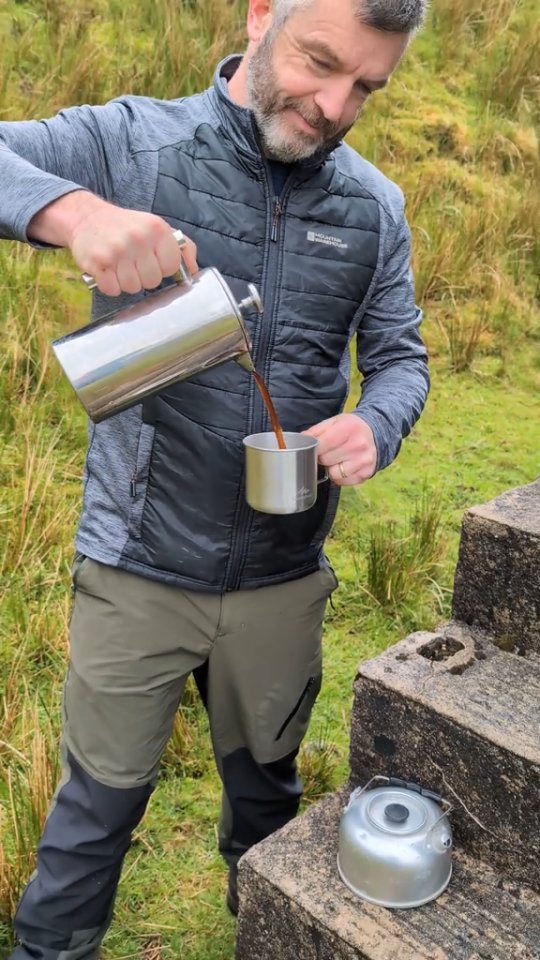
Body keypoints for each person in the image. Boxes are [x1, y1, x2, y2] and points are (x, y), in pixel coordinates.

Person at [0, 0, 430, 955]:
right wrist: (73, 213)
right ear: (261, 14)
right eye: (320, 62)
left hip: (282, 580)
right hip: (136, 571)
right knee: (92, 819)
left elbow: (402, 357)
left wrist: (376, 422)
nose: (334, 107)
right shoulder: (134, 144)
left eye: (367, 86)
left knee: (268, 802)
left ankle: (266, 933)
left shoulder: (374, 207)